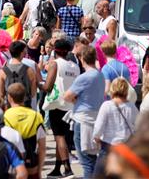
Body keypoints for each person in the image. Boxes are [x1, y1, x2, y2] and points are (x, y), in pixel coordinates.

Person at [63, 45, 105, 178]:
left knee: (86, 161)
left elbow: (67, 96)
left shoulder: (84, 77)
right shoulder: (100, 75)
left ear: (82, 58)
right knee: (92, 160)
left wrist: (76, 100)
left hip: (83, 120)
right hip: (95, 118)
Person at [41, 37, 78, 179]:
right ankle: (57, 168)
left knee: (59, 136)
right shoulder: (74, 66)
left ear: (55, 51)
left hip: (57, 103)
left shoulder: (55, 64)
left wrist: (39, 84)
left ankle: (67, 169)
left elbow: (48, 86)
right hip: (70, 104)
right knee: (62, 136)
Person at [4, 83, 46, 179]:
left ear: (9, 97)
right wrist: (39, 170)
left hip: (12, 166)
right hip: (32, 164)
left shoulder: (5, 116)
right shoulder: (36, 116)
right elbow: (42, 147)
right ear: (24, 96)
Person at [0, 40, 36, 108]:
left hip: (10, 108)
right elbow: (33, 93)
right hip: (25, 108)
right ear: (21, 53)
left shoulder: (2, 72)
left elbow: (1, 94)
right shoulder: (29, 70)